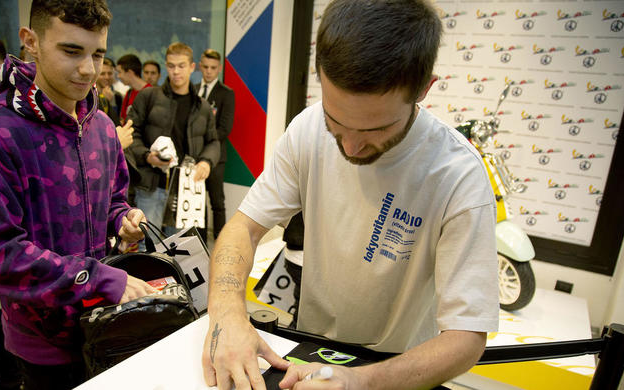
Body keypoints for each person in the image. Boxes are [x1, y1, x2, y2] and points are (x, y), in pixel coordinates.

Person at [201, 1, 499, 389]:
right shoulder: (307, 130)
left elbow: (466, 337)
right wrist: (226, 314)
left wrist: (363, 381)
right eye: (335, 121)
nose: (352, 147)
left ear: (423, 90)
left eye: (375, 129)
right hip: (308, 347)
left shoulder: (458, 176)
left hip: (399, 371)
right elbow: (245, 227)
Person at [0, 0, 156, 388]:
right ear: (30, 41)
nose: (88, 69)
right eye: (71, 51)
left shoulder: (102, 127)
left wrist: (123, 219)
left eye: (97, 54)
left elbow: (113, 200)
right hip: (38, 342)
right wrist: (100, 279)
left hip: (103, 325)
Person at [127, 42, 219, 237]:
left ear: (192, 67)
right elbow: (131, 134)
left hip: (185, 189)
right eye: (171, 66)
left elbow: (213, 141)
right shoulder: (148, 96)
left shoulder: (201, 106)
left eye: (181, 66)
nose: (176, 71)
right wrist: (146, 156)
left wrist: (206, 162)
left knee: (177, 248)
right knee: (146, 244)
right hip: (152, 185)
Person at [196, 49, 234, 239]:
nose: (209, 71)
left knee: (217, 201)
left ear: (219, 69)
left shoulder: (226, 93)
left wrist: (206, 144)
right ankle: (200, 241)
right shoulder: (193, 90)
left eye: (213, 68)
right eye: (206, 67)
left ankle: (220, 239)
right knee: (198, 201)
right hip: (195, 157)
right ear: (200, 66)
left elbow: (224, 128)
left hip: (216, 156)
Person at [116, 54, 150, 123]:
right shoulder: (129, 93)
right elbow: (123, 119)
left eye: (120, 72)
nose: (118, 76)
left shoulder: (151, 93)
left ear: (129, 73)